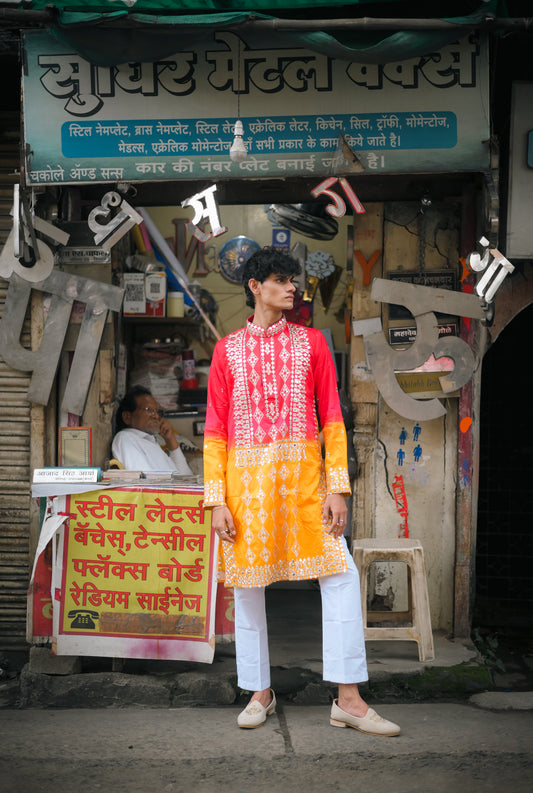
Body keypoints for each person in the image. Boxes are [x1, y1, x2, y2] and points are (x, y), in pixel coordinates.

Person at [203, 247, 400, 736]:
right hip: (245, 489)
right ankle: (258, 692)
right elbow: (215, 432)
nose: (293, 287)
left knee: (340, 576)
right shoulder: (226, 350)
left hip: (307, 486)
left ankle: (349, 699)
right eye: (281, 279)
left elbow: (332, 418)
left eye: (294, 279)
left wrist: (339, 488)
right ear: (255, 286)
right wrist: (216, 500)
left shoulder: (312, 344)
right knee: (248, 590)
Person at [112, 385, 193, 474]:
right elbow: (147, 481)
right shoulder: (125, 439)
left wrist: (170, 440)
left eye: (157, 411)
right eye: (148, 410)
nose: (156, 416)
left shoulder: (151, 441)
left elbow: (186, 476)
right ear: (127, 417)